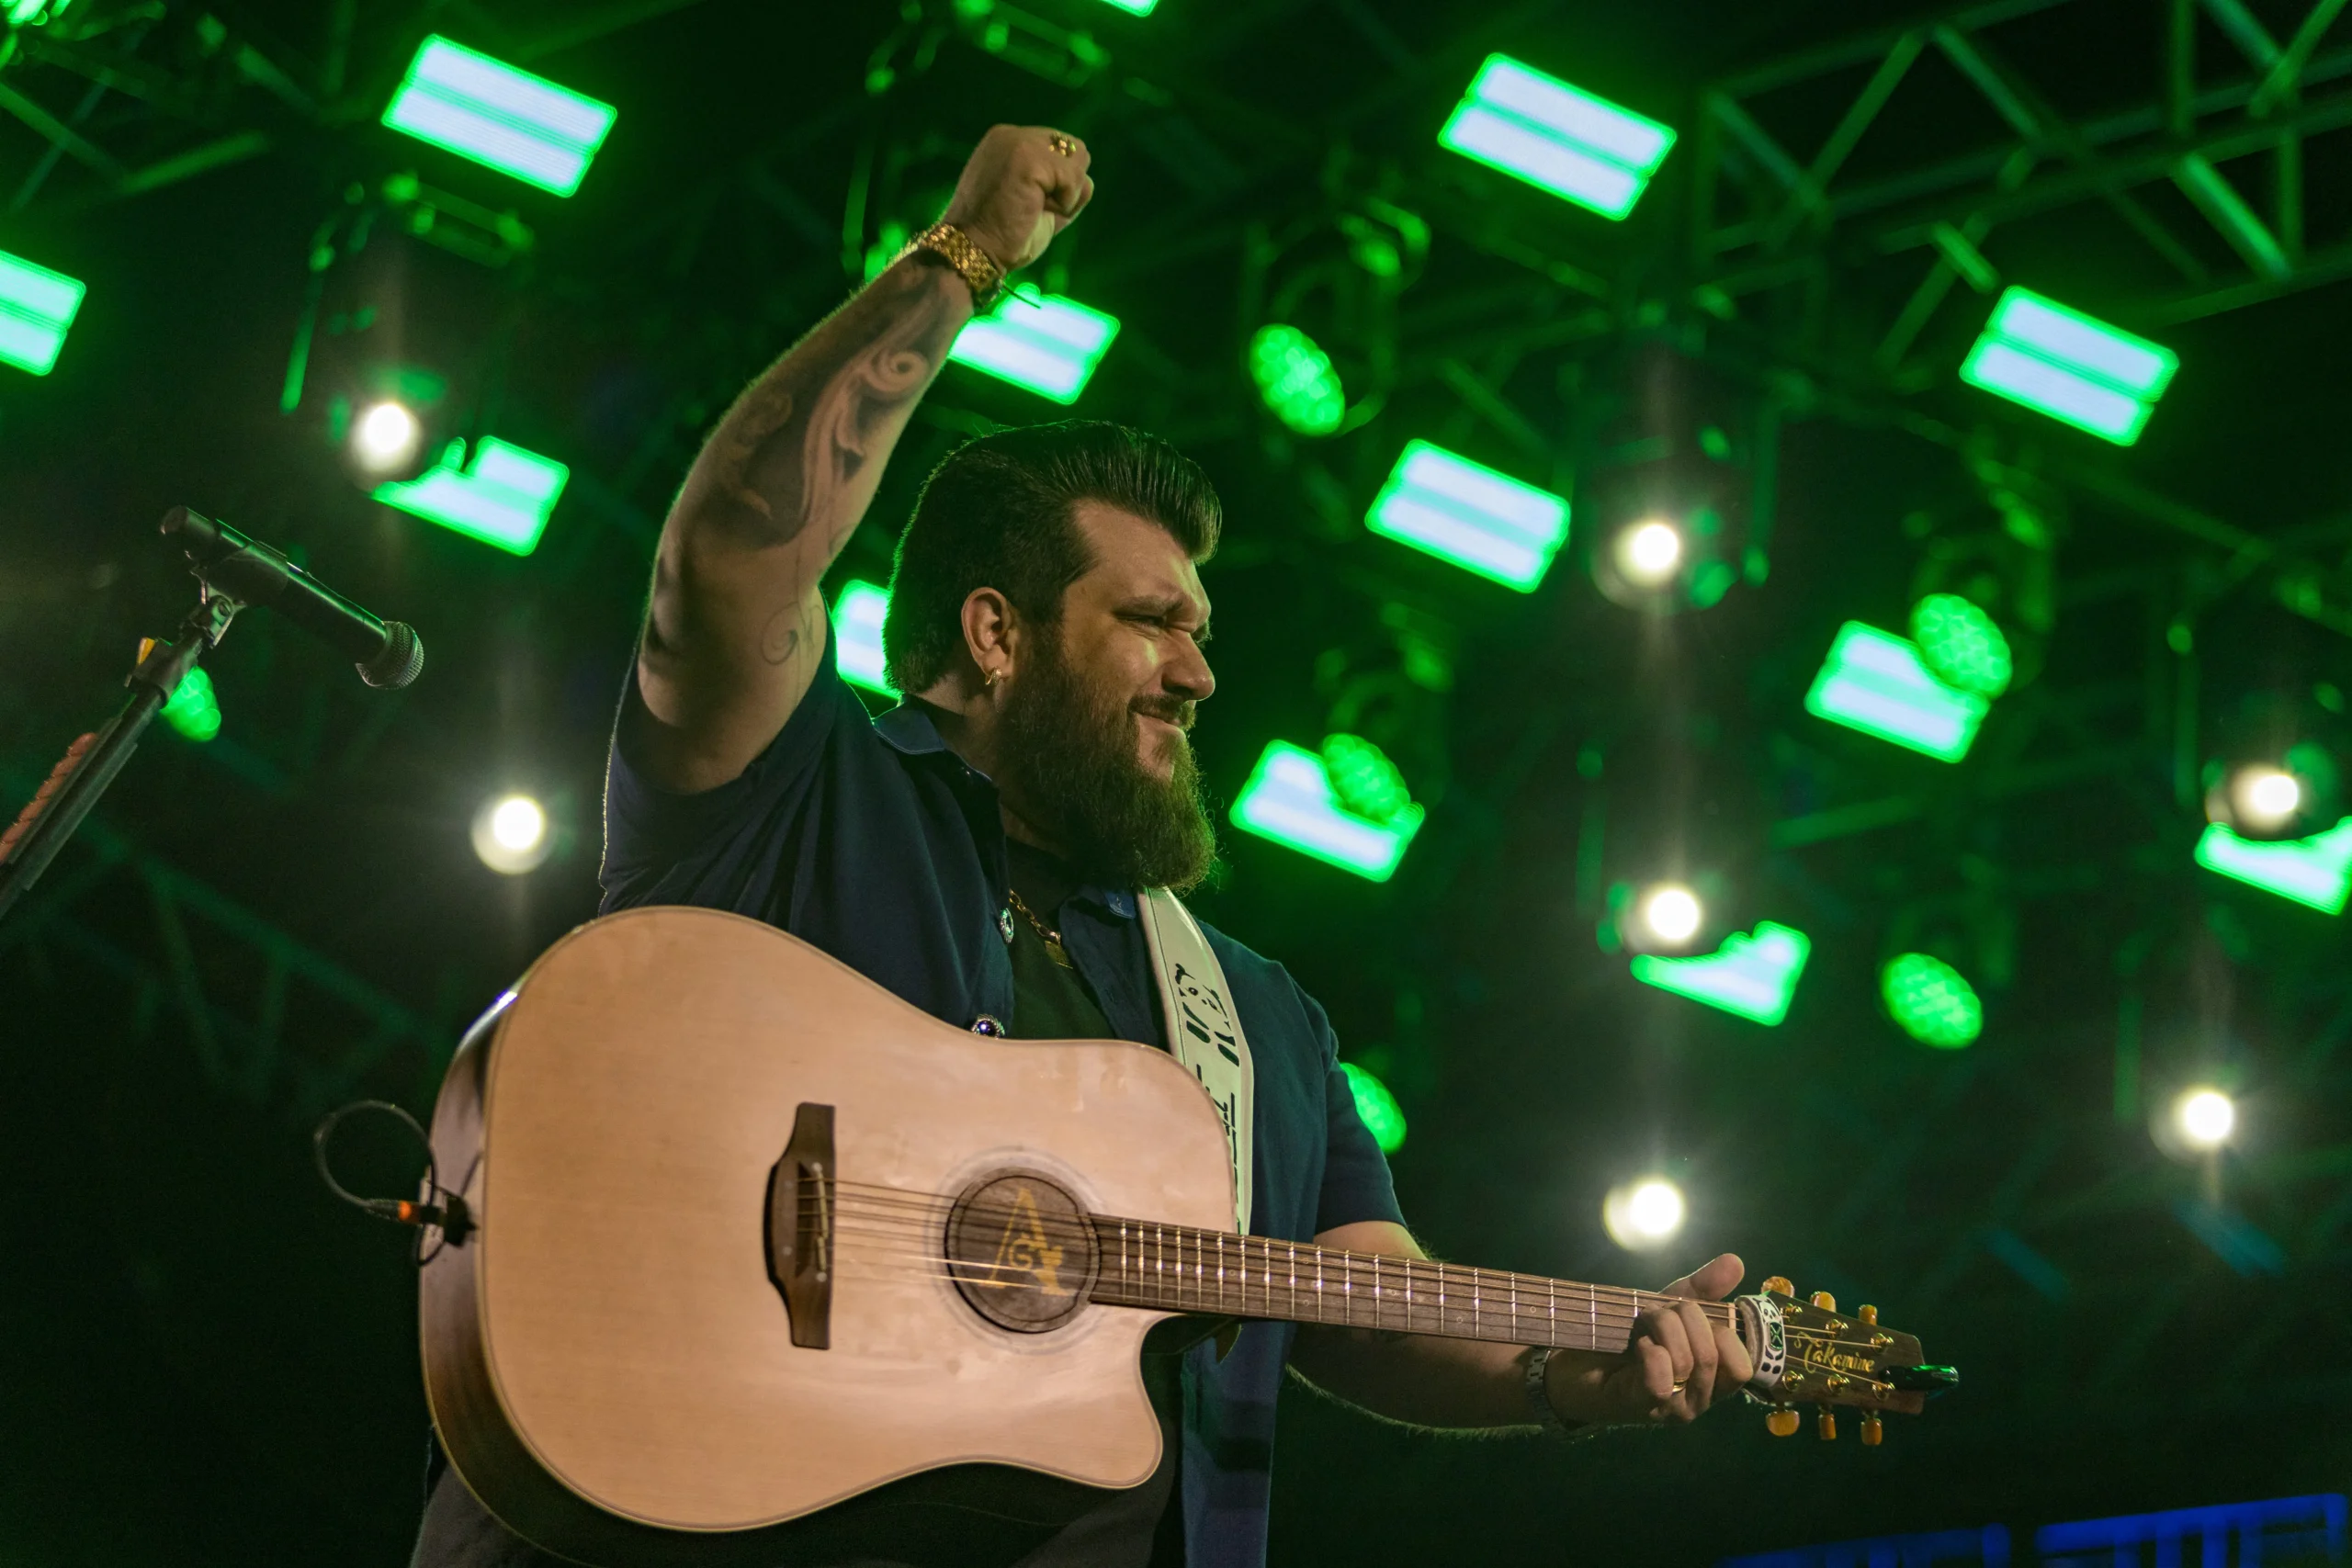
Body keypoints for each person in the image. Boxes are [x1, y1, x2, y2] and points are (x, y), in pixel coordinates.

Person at [411, 125, 1753, 1568]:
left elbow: (1359, 1294)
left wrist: (1572, 1368)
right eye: (1149, 622)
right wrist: (962, 261)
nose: (1198, 675)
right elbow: (729, 560)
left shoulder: (1257, 1021)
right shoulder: (802, 798)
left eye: (1203, 633)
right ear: (995, 634)